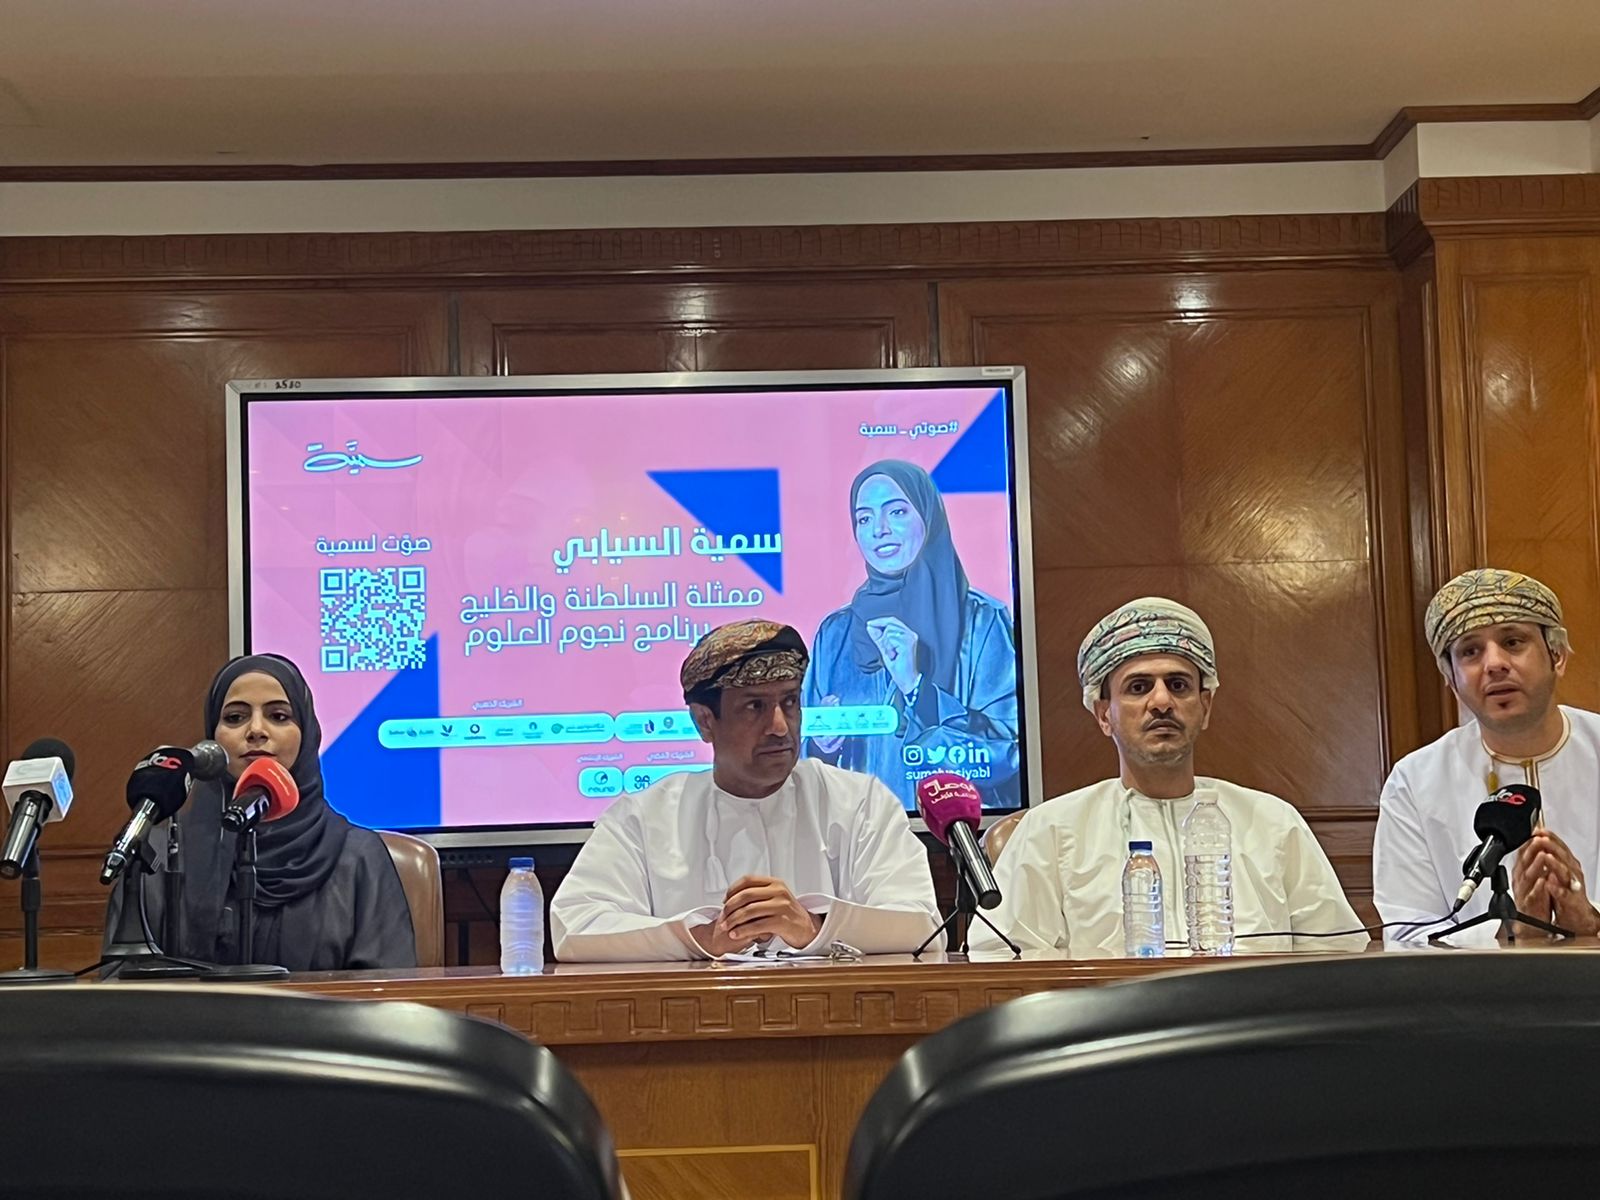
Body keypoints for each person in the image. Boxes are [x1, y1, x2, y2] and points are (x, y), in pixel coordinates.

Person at [969, 598, 1366, 956]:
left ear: (1205, 707)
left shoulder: (1273, 822)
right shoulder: (1051, 830)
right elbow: (1001, 957)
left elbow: (1338, 951)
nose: (1161, 702)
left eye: (1178, 685)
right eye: (1138, 687)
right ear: (1104, 714)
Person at [552, 619, 941, 961]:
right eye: (755, 707)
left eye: (789, 702)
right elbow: (574, 928)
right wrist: (704, 938)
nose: (780, 726)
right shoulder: (643, 818)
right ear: (705, 722)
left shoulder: (860, 803)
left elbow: (922, 924)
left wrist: (812, 927)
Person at [104, 654, 416, 971]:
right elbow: (121, 984)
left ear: (307, 734)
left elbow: (391, 990)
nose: (256, 730)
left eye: (278, 716)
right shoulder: (161, 855)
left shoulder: (358, 857)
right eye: (235, 717)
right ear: (213, 738)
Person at [1373, 568, 1600, 945]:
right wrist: (1511, 931)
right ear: (1451, 678)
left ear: (1557, 656)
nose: (1494, 664)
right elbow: (1406, 933)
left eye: (1513, 642)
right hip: (1478, 983)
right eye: (1470, 651)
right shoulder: (1414, 781)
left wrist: (1591, 923)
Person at [803, 459, 1020, 809]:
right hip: (857, 834)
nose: (879, 530)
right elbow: (802, 764)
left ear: (928, 517)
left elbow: (1009, 754)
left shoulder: (982, 621)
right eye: (864, 518)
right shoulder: (835, 633)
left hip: (958, 832)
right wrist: (820, 746)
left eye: (897, 512)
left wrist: (917, 690)